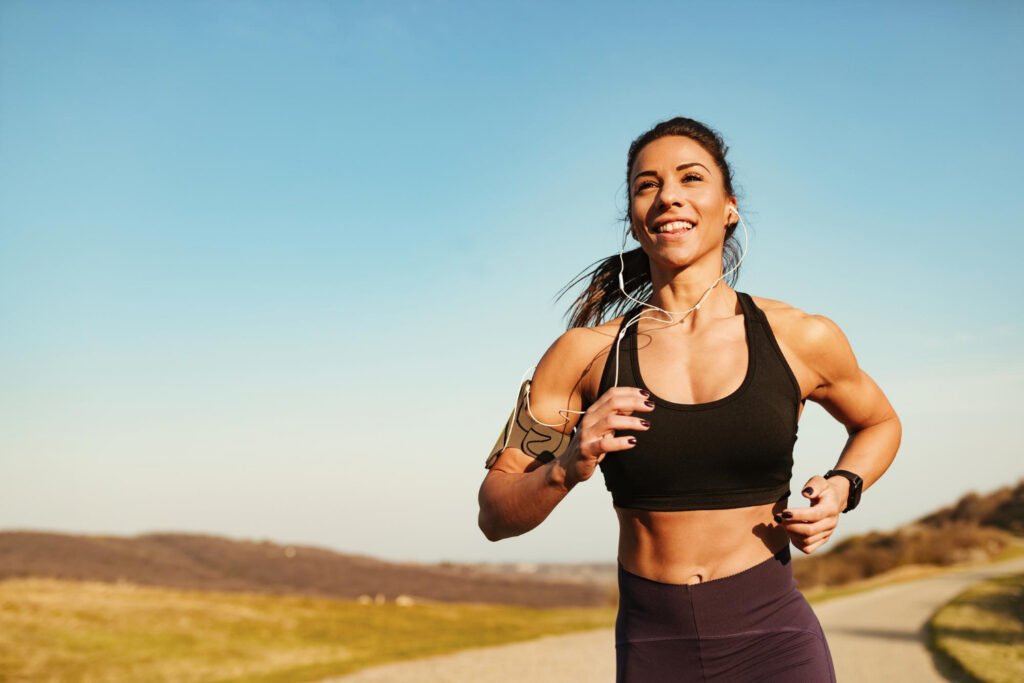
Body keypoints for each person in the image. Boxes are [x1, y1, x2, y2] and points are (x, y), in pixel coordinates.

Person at [476, 116, 901, 682]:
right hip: (654, 646)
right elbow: (494, 514)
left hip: (775, 637)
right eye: (646, 185)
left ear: (730, 208)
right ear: (634, 218)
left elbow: (879, 422)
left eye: (691, 178)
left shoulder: (801, 337)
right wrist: (565, 466)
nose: (668, 196)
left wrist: (843, 487)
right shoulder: (583, 355)